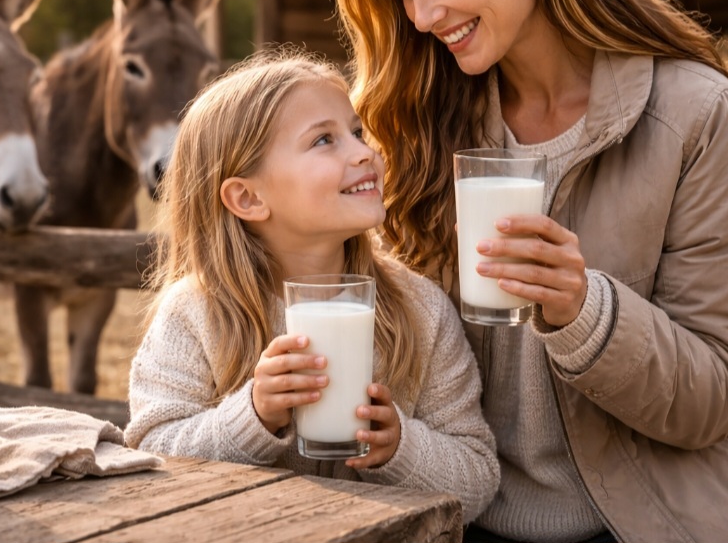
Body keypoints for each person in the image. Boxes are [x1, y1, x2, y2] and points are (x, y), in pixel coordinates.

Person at [328, 0, 728, 542]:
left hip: (653, 524)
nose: (421, 15)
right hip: (464, 513)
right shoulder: (419, 123)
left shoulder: (696, 115)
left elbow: (715, 399)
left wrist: (584, 309)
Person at [124, 51, 500, 521]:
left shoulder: (421, 311)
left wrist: (400, 448)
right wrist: (253, 417)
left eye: (356, 132)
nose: (364, 152)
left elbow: (478, 478)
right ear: (248, 197)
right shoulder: (195, 313)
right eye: (324, 139)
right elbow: (152, 458)